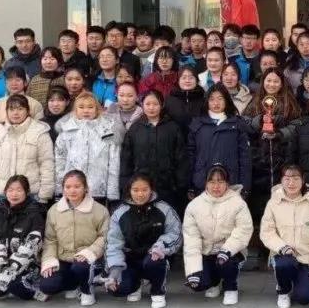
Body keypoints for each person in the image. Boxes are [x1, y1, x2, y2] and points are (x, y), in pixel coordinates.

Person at [105, 173, 182, 308]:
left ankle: (158, 291)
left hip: (153, 256)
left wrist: (160, 247)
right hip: (130, 259)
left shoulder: (164, 209)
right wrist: (115, 269)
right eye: (135, 190)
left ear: (151, 190)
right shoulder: (119, 212)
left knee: (154, 261)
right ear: (129, 190)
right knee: (117, 289)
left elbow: (175, 233)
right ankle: (136, 284)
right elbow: (113, 243)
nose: (140, 194)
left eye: (144, 190)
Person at [182, 164, 254, 305]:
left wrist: (227, 250)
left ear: (227, 183)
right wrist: (193, 270)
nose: (216, 186)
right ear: (206, 183)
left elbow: (243, 230)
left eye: (220, 181)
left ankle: (230, 287)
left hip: (230, 252)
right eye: (212, 182)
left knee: (226, 262)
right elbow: (191, 240)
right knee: (198, 283)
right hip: (206, 252)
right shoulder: (194, 206)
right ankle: (213, 283)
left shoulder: (238, 203)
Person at [244, 71, 300, 248]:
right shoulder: (254, 101)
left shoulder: (291, 103)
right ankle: (260, 245)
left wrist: (280, 134)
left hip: (282, 159)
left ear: (282, 83)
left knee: (282, 202)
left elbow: (297, 125)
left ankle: (282, 243)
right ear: (263, 82)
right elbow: (244, 123)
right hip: (259, 161)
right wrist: (258, 122)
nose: (272, 84)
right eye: (268, 81)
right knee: (259, 204)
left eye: (276, 81)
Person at [260, 163, 309, 308]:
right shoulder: (273, 203)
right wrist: (282, 247)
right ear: (281, 180)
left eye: (296, 179)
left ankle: (304, 284)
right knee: (285, 264)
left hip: (307, 258)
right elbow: (266, 232)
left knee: (304, 298)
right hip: (284, 255)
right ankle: (283, 290)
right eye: (287, 179)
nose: (291, 183)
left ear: (303, 180)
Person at [39, 170, 110, 306]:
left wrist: (89, 253)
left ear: (85, 188)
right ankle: (73, 285)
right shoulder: (54, 210)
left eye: (77, 186)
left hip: (89, 260)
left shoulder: (99, 210)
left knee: (80, 267)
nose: (72, 190)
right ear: (63, 189)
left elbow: (104, 236)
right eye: (68, 187)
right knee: (47, 286)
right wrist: (49, 261)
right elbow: (50, 239)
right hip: (64, 258)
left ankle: (87, 289)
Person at [0, 175, 47, 304]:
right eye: (10, 190)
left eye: (19, 190)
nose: (14, 194)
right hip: (0, 260)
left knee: (14, 283)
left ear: (26, 192)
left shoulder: (35, 213)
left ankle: (32, 291)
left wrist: (9, 270)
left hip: (26, 263)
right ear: (5, 192)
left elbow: (32, 244)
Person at [120, 89, 189, 217]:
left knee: (167, 217)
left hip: (168, 186)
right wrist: (125, 183)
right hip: (141, 187)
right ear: (142, 105)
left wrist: (181, 184)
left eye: (155, 104)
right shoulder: (135, 128)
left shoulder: (172, 128)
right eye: (148, 104)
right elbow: (126, 158)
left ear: (161, 105)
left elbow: (181, 158)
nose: (151, 108)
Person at [0, 94, 55, 205]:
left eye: (20, 109)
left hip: (31, 194)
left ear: (27, 111)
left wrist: (45, 195)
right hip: (3, 194)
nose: (15, 113)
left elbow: (46, 164)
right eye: (11, 109)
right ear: (6, 111)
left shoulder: (39, 131)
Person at [54, 92, 122, 204]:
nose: (86, 111)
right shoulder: (67, 131)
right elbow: (60, 160)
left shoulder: (107, 130)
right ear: (75, 110)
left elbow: (114, 162)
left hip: (98, 188)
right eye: (81, 107)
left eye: (90, 107)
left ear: (97, 109)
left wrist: (112, 192)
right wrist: (59, 188)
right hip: (73, 188)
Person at [188, 84, 252, 196]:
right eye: (212, 99)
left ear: (226, 100)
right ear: (207, 101)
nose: (216, 103)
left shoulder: (237, 124)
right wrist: (190, 185)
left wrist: (245, 186)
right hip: (202, 183)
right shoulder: (197, 124)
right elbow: (190, 156)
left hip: (231, 183)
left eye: (220, 98)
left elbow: (245, 157)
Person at [0, 67, 44, 136]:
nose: (14, 83)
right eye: (10, 80)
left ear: (25, 82)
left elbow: (39, 129)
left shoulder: (35, 105)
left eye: (18, 80)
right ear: (5, 83)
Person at [165, 66, 205, 133]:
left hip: (199, 136)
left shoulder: (204, 100)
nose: (187, 81)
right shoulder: (169, 100)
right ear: (178, 80)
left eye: (191, 78)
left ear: (197, 80)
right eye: (184, 78)